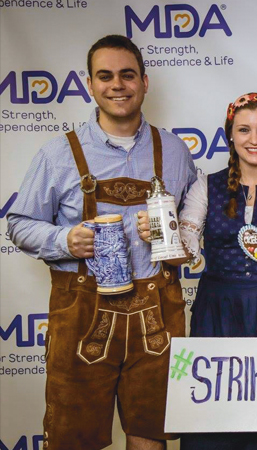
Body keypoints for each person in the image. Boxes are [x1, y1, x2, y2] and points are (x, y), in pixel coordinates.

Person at [7, 35, 197, 450]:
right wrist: (64, 239)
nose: (117, 85)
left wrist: (171, 238)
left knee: (150, 435)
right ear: (90, 85)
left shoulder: (176, 151)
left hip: (157, 314)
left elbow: (195, 229)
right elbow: (18, 223)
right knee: (74, 440)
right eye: (105, 76)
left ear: (145, 82)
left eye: (127, 75)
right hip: (82, 313)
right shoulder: (58, 154)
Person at [136, 92, 257, 450]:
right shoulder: (206, 186)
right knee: (217, 427)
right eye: (244, 130)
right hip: (218, 315)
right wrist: (159, 237)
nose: (254, 140)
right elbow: (185, 252)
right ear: (230, 135)